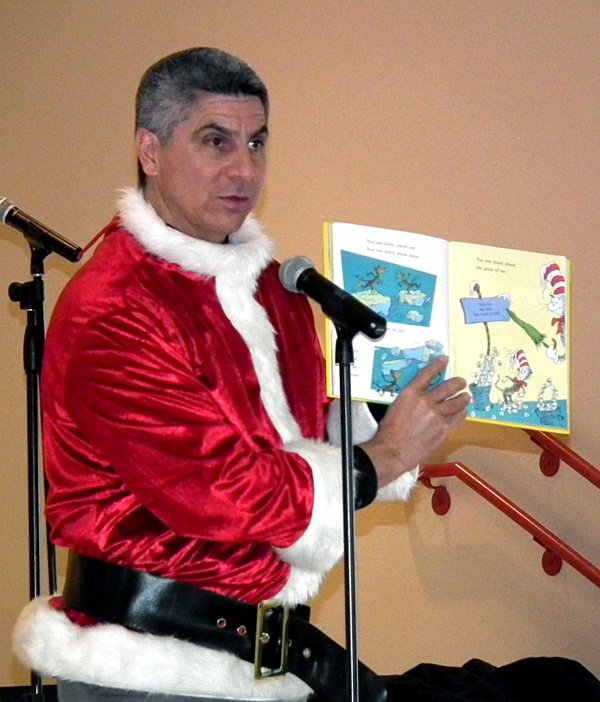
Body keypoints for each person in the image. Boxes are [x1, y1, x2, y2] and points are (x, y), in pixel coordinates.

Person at [14, 47, 599, 702]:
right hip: (148, 669)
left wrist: (396, 408)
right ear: (150, 151)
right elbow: (222, 489)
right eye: (217, 142)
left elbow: (287, 432)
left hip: (266, 660)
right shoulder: (113, 307)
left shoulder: (276, 291)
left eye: (258, 143)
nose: (246, 169)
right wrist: (381, 457)